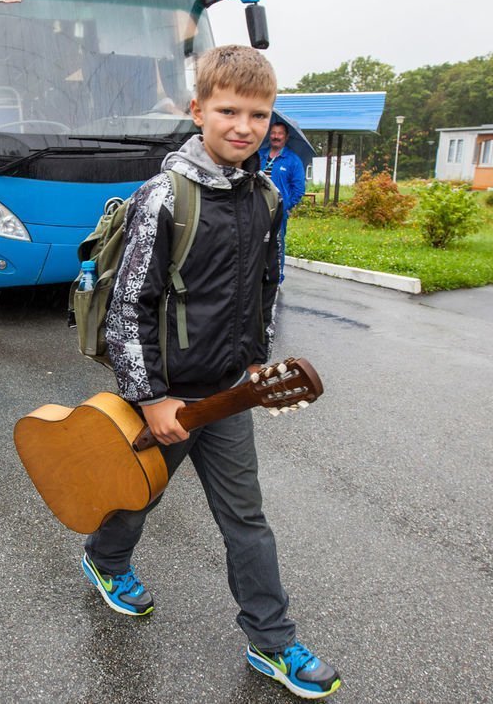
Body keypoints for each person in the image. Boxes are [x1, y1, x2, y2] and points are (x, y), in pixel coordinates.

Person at [83, 46, 341, 699]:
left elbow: (263, 286)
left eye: (259, 113)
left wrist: (254, 360)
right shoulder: (164, 196)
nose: (244, 125)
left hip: (226, 394)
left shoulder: (265, 195)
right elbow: (128, 306)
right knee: (140, 491)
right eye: (228, 109)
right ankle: (105, 558)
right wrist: (150, 399)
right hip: (170, 396)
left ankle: (272, 641)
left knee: (246, 520)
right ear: (198, 110)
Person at [258, 121, 306, 282]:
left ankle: (276, 278)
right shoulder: (259, 155)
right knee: (255, 243)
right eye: (273, 133)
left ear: (286, 137)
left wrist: (285, 206)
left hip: (278, 211)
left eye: (279, 133)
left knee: (276, 245)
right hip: (256, 209)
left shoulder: (293, 160)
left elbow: (298, 189)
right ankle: (257, 276)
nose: (275, 136)